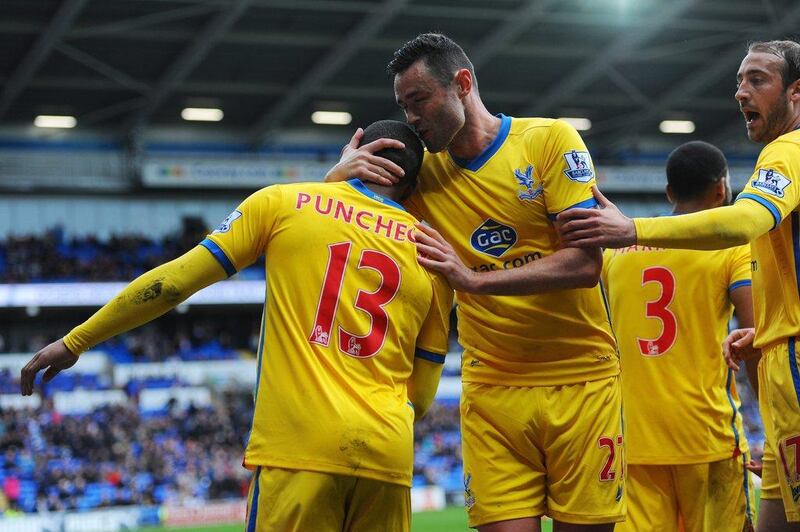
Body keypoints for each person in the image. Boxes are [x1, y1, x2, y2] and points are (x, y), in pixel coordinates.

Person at [20, 120, 452, 532]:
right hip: (388, 456)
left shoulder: (285, 203)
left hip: (300, 448)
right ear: (412, 186)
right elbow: (424, 395)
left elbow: (173, 283)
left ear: (354, 148)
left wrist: (77, 340)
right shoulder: (432, 256)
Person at [328, 33, 622, 531]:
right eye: (403, 106)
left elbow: (584, 264)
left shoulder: (550, 141)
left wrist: (473, 281)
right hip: (491, 390)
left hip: (582, 380)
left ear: (462, 84)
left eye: (419, 100)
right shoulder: (420, 176)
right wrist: (339, 175)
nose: (412, 117)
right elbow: (335, 229)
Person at [556, 40, 800, 531]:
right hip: (732, 404)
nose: (740, 93)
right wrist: (766, 330)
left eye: (757, 80)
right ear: (718, 187)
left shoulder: (789, 149)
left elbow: (743, 222)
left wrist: (633, 229)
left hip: (651, 432)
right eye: (738, 81)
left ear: (797, 93)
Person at [603, 141, 757, 532]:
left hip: (634, 443)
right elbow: (757, 335)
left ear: (670, 192)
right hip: (708, 436)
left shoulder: (616, 255)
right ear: (722, 189)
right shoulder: (731, 248)